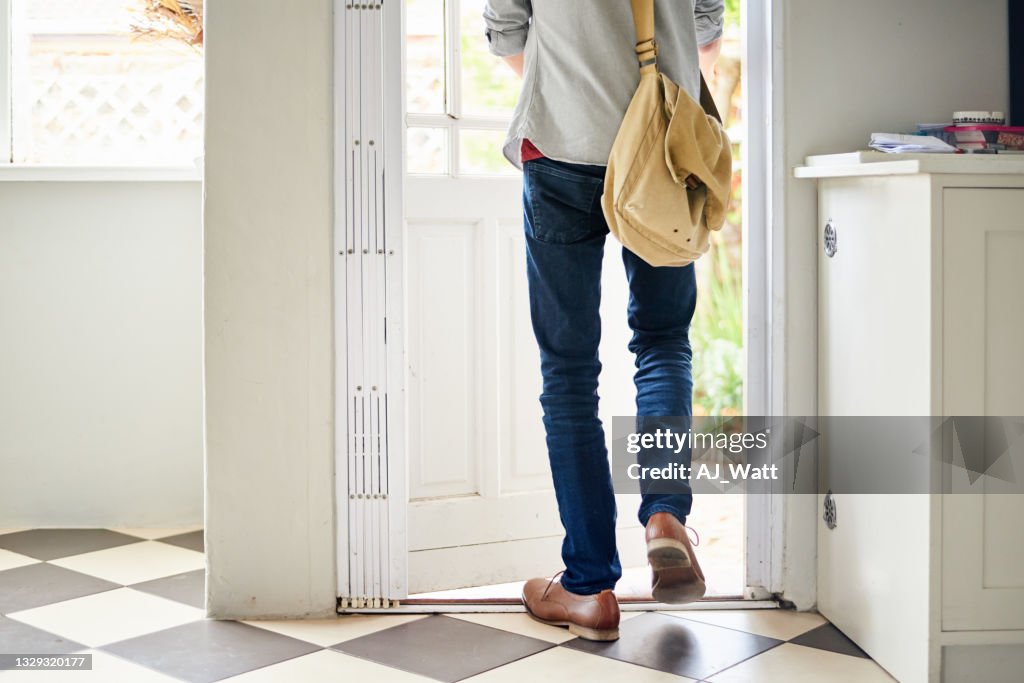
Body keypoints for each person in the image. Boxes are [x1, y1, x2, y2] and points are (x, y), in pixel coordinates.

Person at [483, 0, 725, 642]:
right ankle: (666, 517)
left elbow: (506, 31)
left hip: (561, 147)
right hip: (664, 148)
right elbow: (704, 24)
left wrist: (576, 89)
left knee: (567, 373)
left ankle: (589, 587)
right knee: (663, 343)